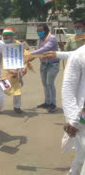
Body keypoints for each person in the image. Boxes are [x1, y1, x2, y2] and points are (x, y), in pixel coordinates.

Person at [61, 45, 85, 175]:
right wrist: (73, 121)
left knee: (81, 158)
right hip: (82, 119)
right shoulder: (79, 55)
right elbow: (68, 89)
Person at [30, 23, 59, 113]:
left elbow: (45, 49)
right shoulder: (39, 40)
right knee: (45, 84)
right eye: (38, 31)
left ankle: (53, 104)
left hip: (52, 64)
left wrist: (30, 53)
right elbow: (38, 51)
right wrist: (30, 57)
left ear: (46, 30)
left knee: (50, 83)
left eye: (41, 31)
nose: (39, 33)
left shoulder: (52, 38)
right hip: (43, 64)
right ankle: (47, 102)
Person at [1, 28, 27, 114]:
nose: (5, 37)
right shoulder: (0, 44)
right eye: (4, 36)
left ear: (12, 36)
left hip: (16, 71)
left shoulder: (18, 44)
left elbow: (24, 57)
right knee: (0, 90)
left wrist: (23, 67)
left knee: (17, 90)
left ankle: (17, 107)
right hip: (2, 71)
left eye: (7, 36)